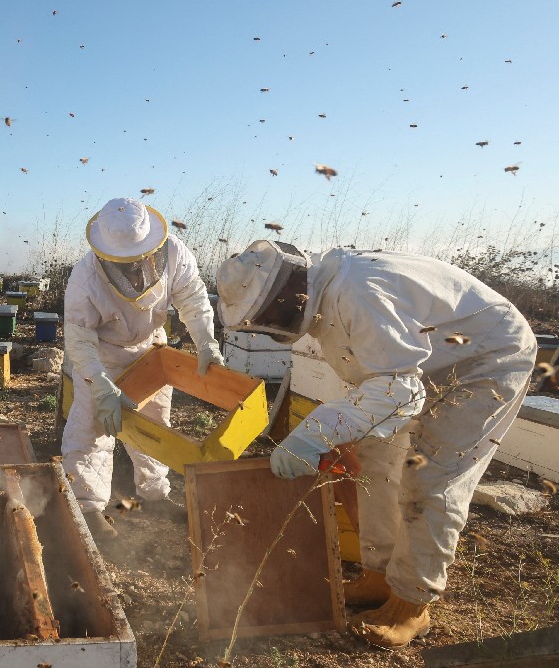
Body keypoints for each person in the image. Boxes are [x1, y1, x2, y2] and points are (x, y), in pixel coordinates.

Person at [216, 240, 536, 649]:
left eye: (269, 314)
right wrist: (333, 430)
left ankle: (412, 603)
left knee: (432, 475)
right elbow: (383, 381)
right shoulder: (331, 294)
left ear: (285, 291)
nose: (270, 323)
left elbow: (400, 395)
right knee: (375, 457)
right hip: (423, 364)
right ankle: (379, 573)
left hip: (485, 359)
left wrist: (315, 433)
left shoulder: (358, 293)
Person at [62, 198, 223, 539]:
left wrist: (206, 341)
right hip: (102, 356)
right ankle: (89, 509)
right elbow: (79, 339)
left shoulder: (176, 253)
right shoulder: (85, 278)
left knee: (154, 421)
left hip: (150, 349)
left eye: (138, 262)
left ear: (153, 246)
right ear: (105, 256)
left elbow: (193, 298)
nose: (134, 272)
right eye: (124, 265)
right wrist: (101, 384)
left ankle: (154, 493)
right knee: (90, 426)